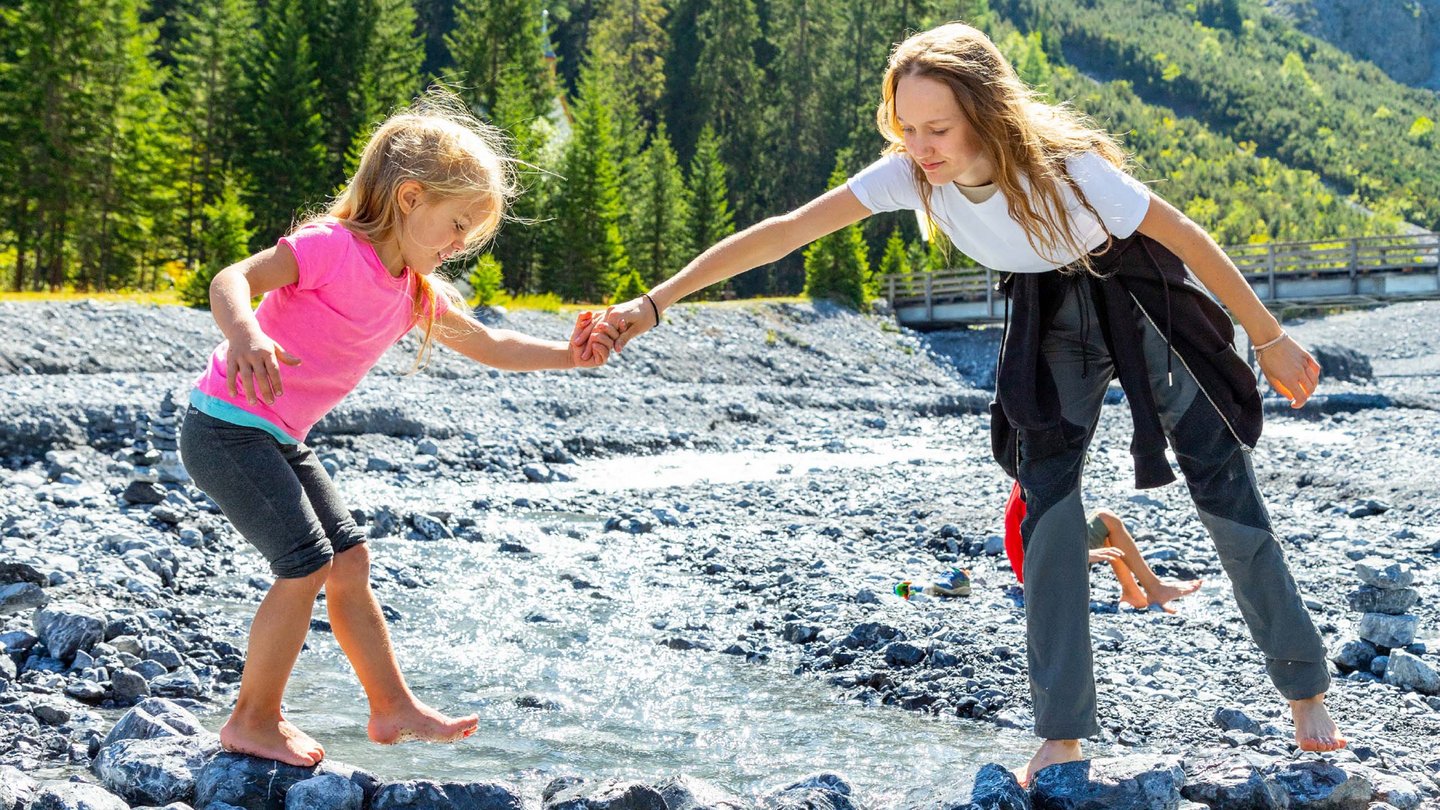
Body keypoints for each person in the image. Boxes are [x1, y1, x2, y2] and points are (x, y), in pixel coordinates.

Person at [583, 22, 1344, 784]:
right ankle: (1062, 733)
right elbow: (785, 234)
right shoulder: (911, 175)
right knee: (1045, 496)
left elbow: (1184, 233)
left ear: (985, 112)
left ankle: (1305, 686)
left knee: (1220, 481)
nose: (920, 146)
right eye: (906, 128)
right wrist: (652, 306)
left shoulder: (1069, 171)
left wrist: (1270, 337)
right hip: (1050, 312)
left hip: (1143, 298)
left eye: (937, 128)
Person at [179, 91, 621, 767]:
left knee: (349, 561)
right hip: (224, 427)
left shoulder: (413, 288)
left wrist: (571, 355)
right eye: (457, 225)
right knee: (305, 563)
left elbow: (492, 344)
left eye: (472, 235)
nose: (460, 244)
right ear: (410, 197)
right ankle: (252, 719)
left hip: (273, 434)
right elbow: (231, 277)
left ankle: (392, 708)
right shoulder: (331, 248)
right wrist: (244, 334)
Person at [1003, 482, 1201, 612]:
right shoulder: (1035, 488)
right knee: (1107, 520)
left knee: (1103, 521)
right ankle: (1154, 589)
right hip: (1041, 573)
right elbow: (1036, 546)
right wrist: (1083, 554)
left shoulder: (1026, 478)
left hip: (1034, 567)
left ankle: (1135, 593)